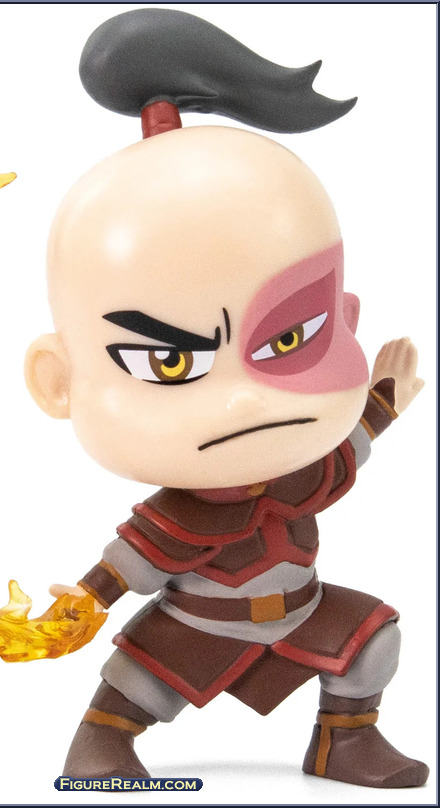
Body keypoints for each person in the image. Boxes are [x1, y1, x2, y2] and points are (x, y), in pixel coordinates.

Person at [25, 9, 427, 787]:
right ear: (58, 381)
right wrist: (85, 600)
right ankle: (101, 745)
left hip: (303, 609)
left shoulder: (303, 470)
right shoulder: (181, 514)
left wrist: (383, 400)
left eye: (289, 338)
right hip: (198, 620)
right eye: (170, 361)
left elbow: (351, 448)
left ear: (345, 320)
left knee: (373, 640)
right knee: (138, 681)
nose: (243, 399)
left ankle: (345, 740)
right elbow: (128, 564)